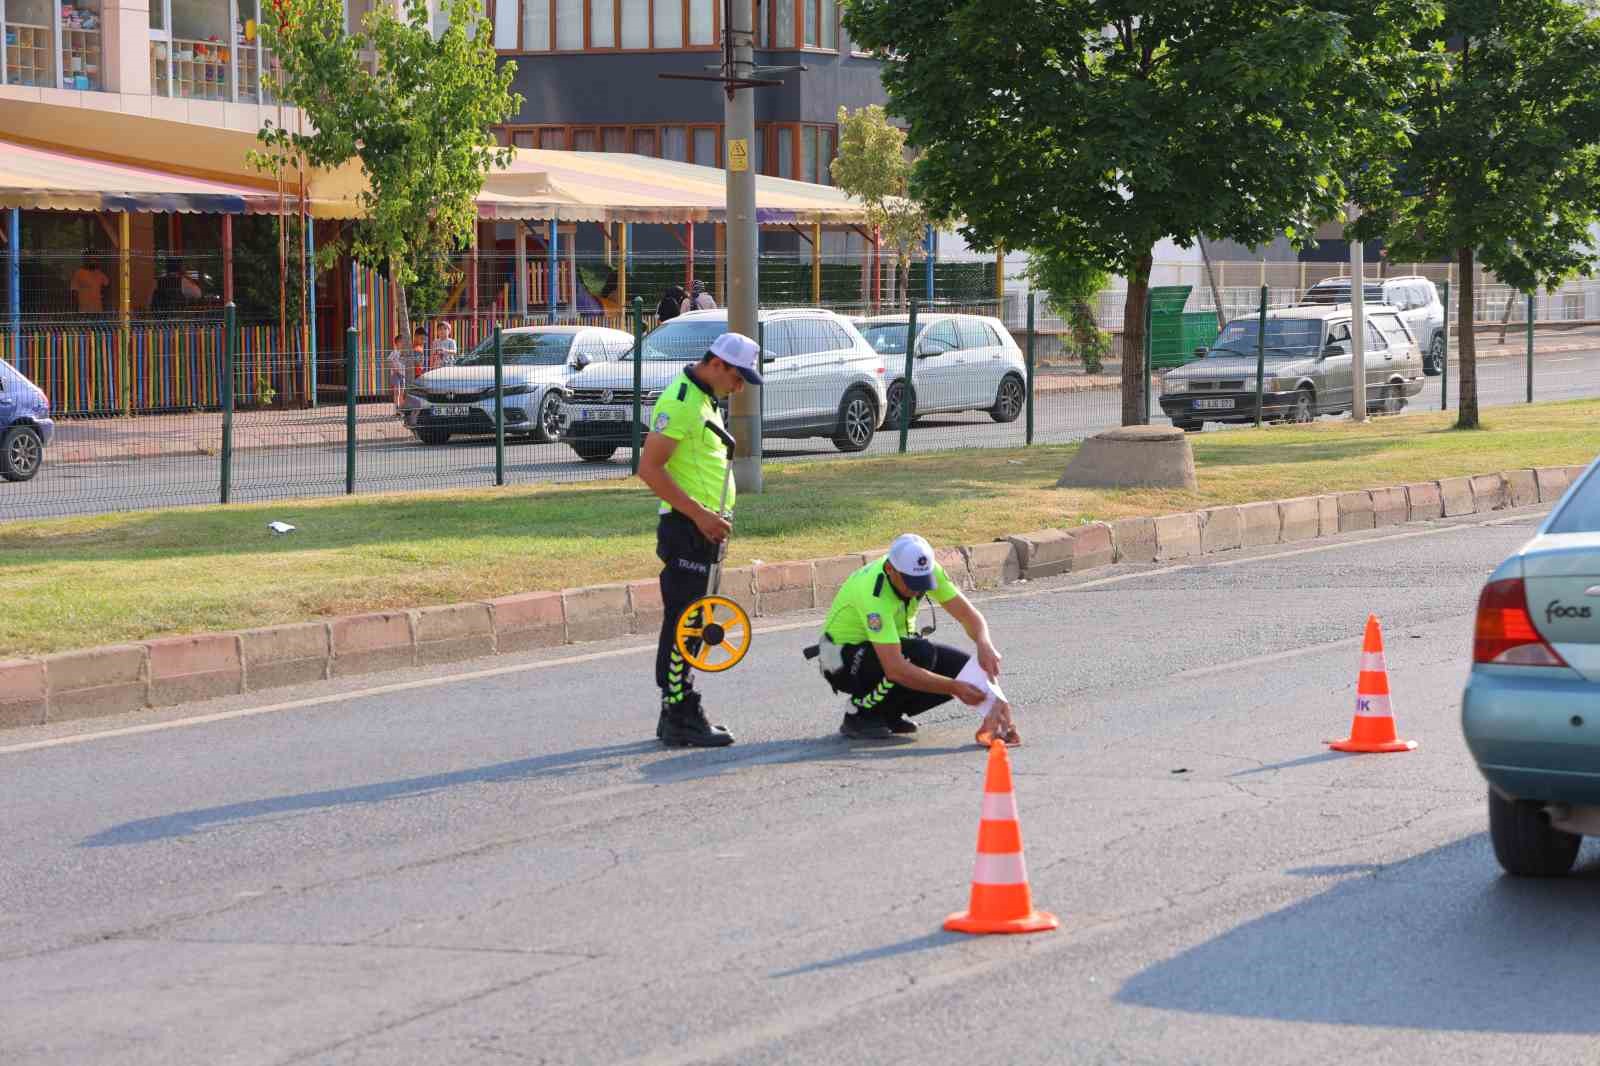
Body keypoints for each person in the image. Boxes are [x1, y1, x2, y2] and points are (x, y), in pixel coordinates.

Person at [636, 331, 765, 747]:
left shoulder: (704, 397)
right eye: (738, 376)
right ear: (717, 364)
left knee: (694, 620)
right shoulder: (681, 402)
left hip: (703, 529)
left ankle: (673, 712)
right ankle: (681, 714)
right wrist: (701, 515)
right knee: (685, 623)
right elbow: (650, 469)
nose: (740, 386)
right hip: (687, 529)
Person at [812, 533, 1019, 743]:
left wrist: (984, 644)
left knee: (963, 668)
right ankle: (861, 714)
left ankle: (888, 714)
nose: (917, 589)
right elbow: (895, 668)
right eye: (911, 583)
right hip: (840, 661)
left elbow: (967, 615)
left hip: (885, 651)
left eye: (923, 582)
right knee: (921, 656)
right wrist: (954, 687)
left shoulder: (927, 570)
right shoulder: (873, 593)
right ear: (891, 570)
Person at [387, 333, 411, 413]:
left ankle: (401, 408)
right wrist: (394, 368)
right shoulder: (394, 352)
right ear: (397, 343)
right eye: (401, 342)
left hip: (403, 374)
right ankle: (396, 408)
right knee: (397, 391)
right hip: (395, 374)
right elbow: (389, 361)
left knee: (402, 391)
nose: (403, 344)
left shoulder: (405, 353)